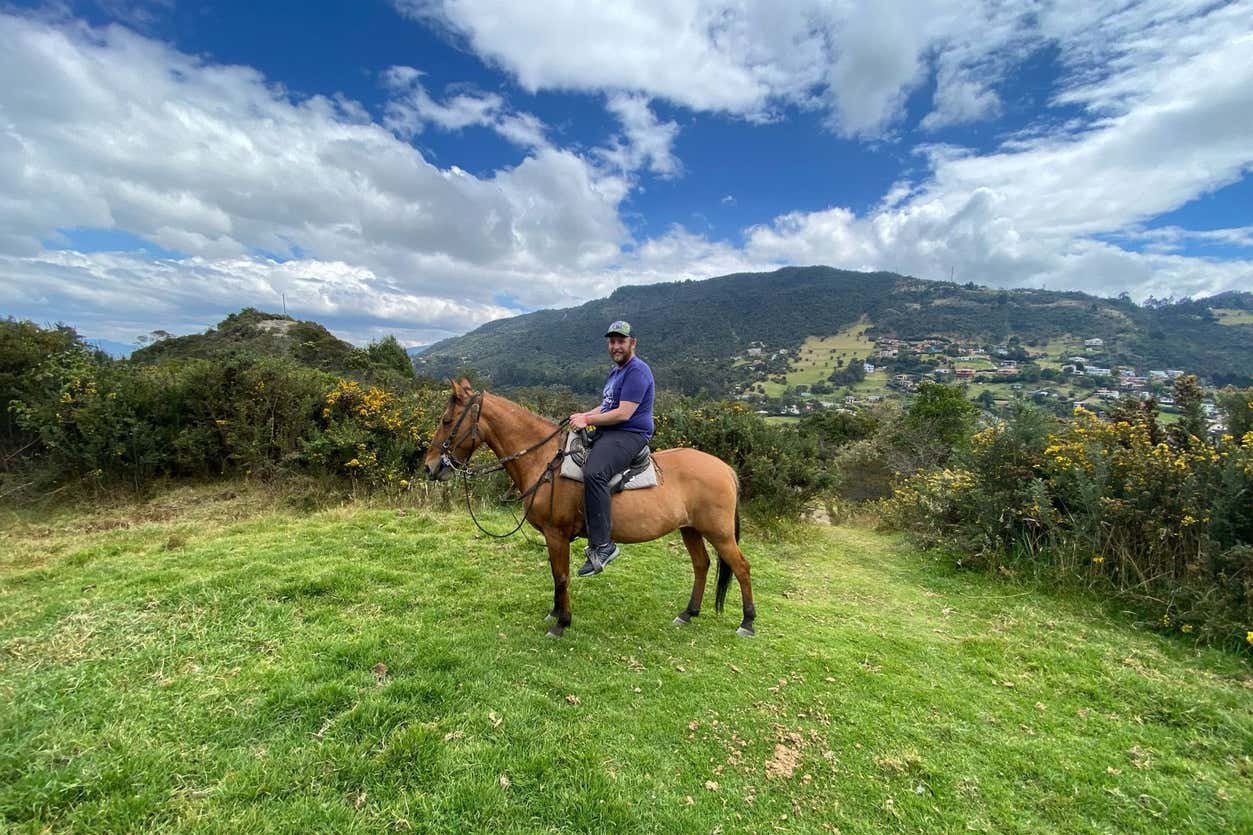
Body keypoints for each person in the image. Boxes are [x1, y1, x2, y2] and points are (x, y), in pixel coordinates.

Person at [569, 320, 655, 576]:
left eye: (621, 341)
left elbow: (623, 413)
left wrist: (588, 419)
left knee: (595, 472)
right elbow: (607, 406)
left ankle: (604, 545)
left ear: (632, 343)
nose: (616, 346)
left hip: (630, 433)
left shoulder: (637, 371)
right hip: (612, 430)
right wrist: (584, 415)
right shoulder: (616, 372)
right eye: (612, 341)